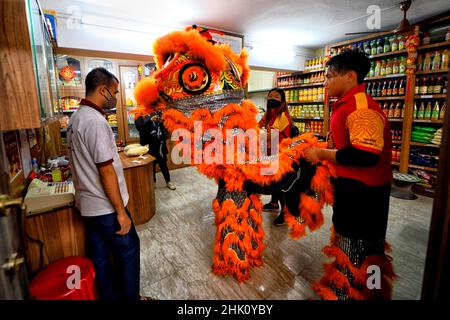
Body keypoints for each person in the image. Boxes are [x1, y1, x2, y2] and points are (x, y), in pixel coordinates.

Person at [304, 50, 395, 300]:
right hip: (350, 187)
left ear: (350, 76)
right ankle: (349, 288)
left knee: (361, 246)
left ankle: (356, 292)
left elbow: (365, 156)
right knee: (348, 240)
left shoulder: (361, 107)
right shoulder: (346, 103)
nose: (325, 82)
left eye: (330, 76)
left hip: (365, 193)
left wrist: (321, 153)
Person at [67, 67, 140, 300]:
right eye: (115, 92)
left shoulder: (76, 117)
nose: (116, 98)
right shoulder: (95, 121)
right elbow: (106, 170)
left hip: (88, 207)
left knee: (99, 256)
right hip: (106, 207)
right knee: (128, 250)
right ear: (102, 90)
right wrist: (121, 212)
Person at [258, 88, 292, 226]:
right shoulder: (267, 115)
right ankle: (273, 203)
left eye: (276, 97)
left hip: (281, 153)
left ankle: (285, 212)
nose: (272, 98)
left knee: (281, 183)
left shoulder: (283, 116)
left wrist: (255, 134)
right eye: (270, 96)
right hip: (269, 152)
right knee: (273, 180)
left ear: (282, 101)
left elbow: (272, 136)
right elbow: (256, 126)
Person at [135, 112, 176, 190]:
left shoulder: (157, 113)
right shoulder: (139, 116)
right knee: (151, 165)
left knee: (163, 164)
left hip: (160, 145)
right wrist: (150, 120)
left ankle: (168, 182)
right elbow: (139, 128)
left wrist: (162, 123)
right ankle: (153, 183)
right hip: (149, 146)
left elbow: (164, 129)